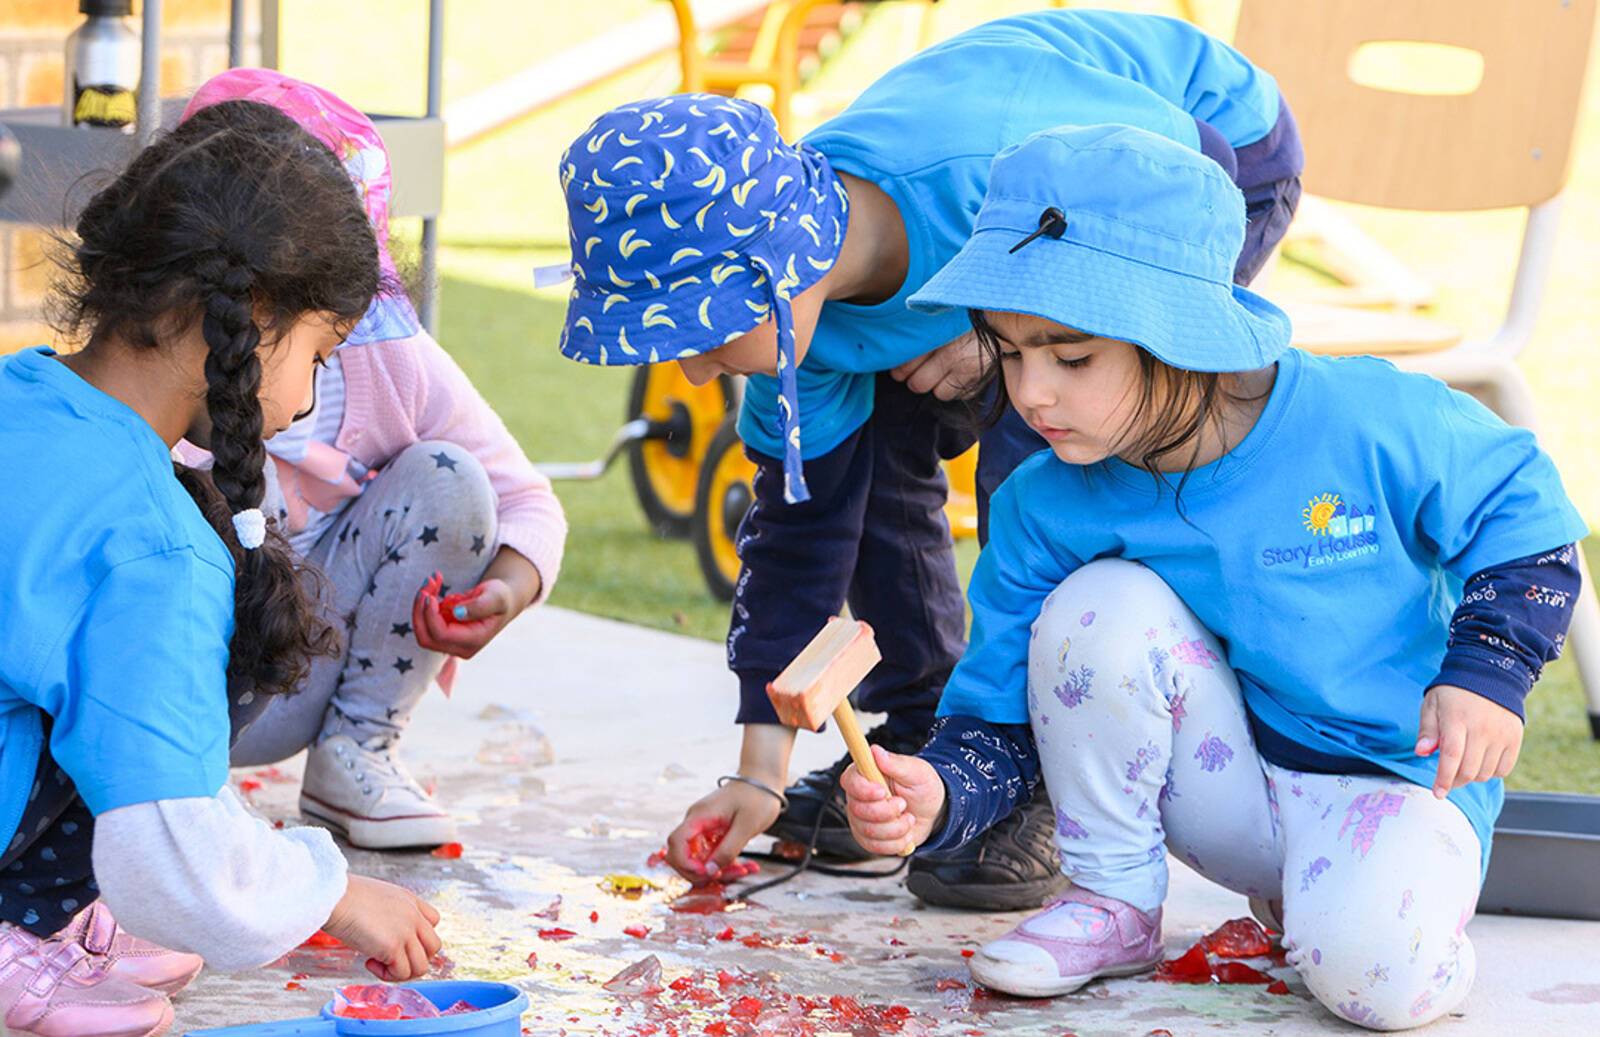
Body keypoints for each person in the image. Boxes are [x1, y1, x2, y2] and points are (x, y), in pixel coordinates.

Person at [840, 123, 1585, 1029]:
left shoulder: (1367, 416)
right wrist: (941, 791)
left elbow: (1528, 514)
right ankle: (1113, 901)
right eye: (1009, 352)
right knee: (1093, 608)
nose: (1031, 394)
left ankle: (1366, 909)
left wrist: (1488, 673)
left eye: (1070, 357)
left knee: (1372, 986)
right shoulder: (1046, 501)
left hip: (1402, 781)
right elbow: (998, 706)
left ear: (1181, 333)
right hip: (1228, 791)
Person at [557, 9, 1303, 908]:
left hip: (1218, 153)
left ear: (780, 272)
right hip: (1016, 242)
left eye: (704, 330)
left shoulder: (992, 169)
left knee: (1045, 444)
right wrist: (758, 771)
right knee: (865, 460)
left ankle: (1044, 776)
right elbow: (800, 534)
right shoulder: (808, 334)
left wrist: (997, 342)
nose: (692, 366)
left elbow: (1200, 164)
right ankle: (927, 743)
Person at [0, 100, 443, 1037]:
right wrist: (333, 892)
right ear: (250, 315)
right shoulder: (154, 543)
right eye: (321, 352)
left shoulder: (21, 390)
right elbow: (173, 849)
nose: (313, 394)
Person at [176, 68, 568, 851]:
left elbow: (525, 502)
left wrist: (503, 591)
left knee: (451, 479)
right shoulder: (163, 382)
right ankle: (180, 789)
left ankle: (357, 750)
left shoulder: (391, 359)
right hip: (178, 700)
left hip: (305, 677)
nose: (344, 342)